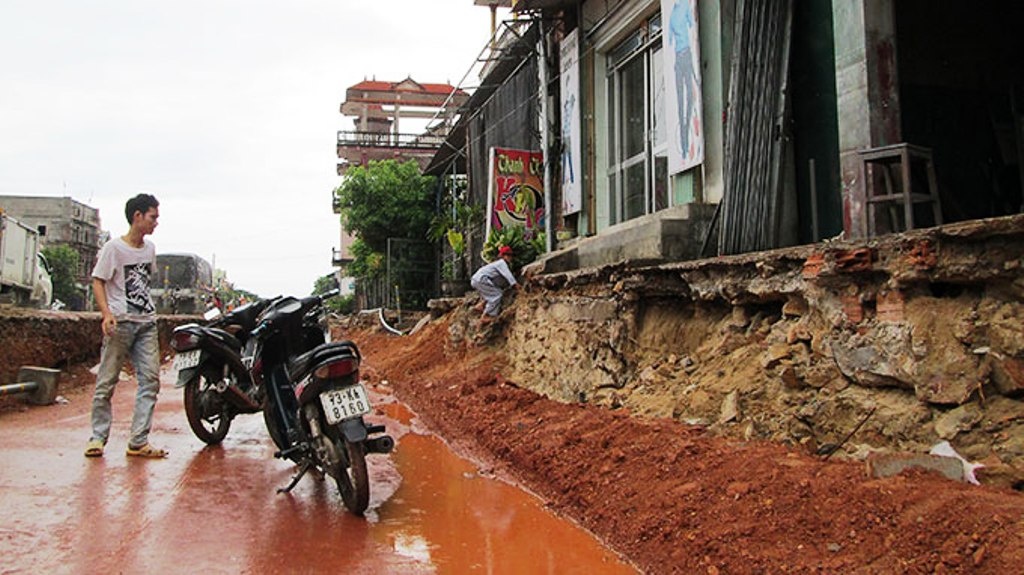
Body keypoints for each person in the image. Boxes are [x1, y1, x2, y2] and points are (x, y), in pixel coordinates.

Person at [84, 193, 167, 459]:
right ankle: (97, 437)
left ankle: (138, 440)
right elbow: (98, 280)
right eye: (153, 217)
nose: (156, 223)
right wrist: (106, 313)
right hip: (121, 323)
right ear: (137, 216)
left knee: (150, 382)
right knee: (106, 382)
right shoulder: (113, 249)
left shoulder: (149, 249)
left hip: (146, 323)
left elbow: (145, 280)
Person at [471, 245, 521, 324]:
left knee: (493, 290)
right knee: (497, 295)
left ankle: (481, 305)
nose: (510, 258)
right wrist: (515, 284)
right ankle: (486, 315)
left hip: (477, 279)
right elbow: (508, 275)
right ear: (504, 256)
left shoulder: (496, 264)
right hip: (482, 279)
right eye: (508, 255)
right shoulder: (501, 263)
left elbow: (499, 281)